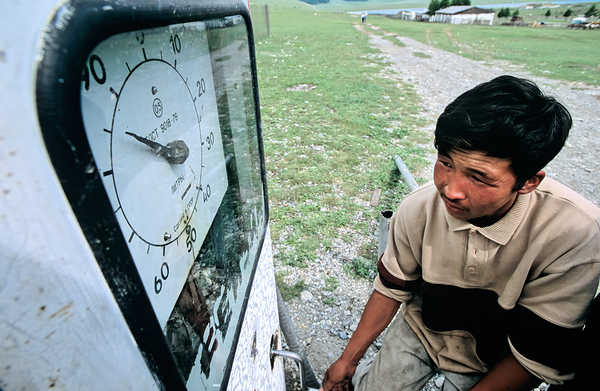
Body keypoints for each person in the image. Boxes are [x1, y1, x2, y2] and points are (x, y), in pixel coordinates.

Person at [320, 75, 600, 391]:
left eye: (479, 178)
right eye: (445, 162)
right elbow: (391, 287)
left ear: (528, 182)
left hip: (497, 355)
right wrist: (347, 361)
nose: (450, 190)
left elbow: (537, 354)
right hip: (422, 330)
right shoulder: (419, 207)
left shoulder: (577, 234)